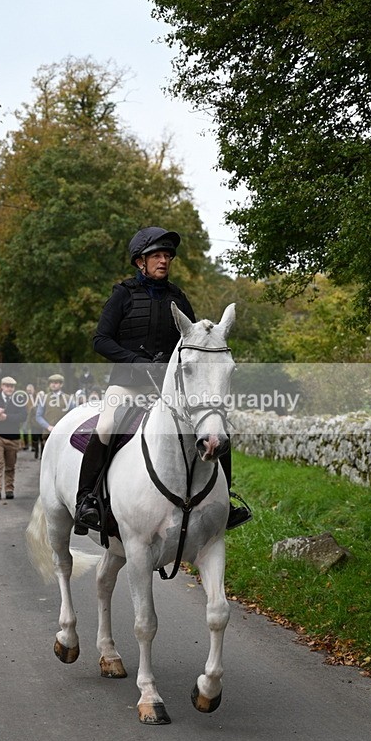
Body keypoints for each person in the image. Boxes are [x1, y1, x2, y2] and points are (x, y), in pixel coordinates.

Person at [74, 225, 252, 534]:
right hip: (128, 384)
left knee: (215, 429)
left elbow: (193, 342)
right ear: (140, 261)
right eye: (156, 255)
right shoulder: (123, 294)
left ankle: (225, 502)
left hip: (169, 390)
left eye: (167, 256)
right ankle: (86, 500)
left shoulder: (178, 297)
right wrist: (138, 362)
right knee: (106, 426)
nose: (164, 260)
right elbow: (100, 340)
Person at [0, 376, 28, 500]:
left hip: (12, 438)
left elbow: (23, 416)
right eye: (7, 386)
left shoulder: (19, 400)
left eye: (11, 386)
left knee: (10, 466)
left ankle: (9, 489)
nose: (9, 388)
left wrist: (7, 417)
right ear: (2, 386)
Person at [36, 374, 74, 442]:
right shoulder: (44, 398)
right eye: (51, 383)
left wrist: (66, 426)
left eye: (56, 383)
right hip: (48, 434)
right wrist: (48, 426)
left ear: (61, 384)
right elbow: (38, 416)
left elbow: (74, 414)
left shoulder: (68, 399)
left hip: (63, 434)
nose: (53, 385)